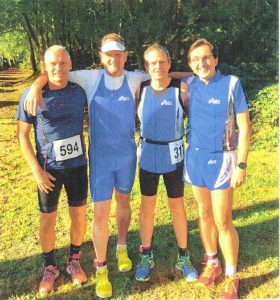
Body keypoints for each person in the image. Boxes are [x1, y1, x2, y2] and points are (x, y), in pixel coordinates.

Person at [23, 33, 150, 299]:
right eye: (108, 54)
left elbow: (164, 72)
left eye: (118, 54)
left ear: (125, 56)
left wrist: (194, 78)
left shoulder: (132, 79)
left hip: (109, 159)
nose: (113, 59)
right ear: (101, 57)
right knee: (85, 214)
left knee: (111, 206)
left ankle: (109, 250)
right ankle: (81, 268)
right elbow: (55, 70)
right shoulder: (89, 78)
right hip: (83, 162)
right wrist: (37, 84)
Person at [16, 45, 88, 294]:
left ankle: (74, 261)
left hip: (78, 166)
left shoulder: (80, 90)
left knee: (78, 216)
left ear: (70, 65)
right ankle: (50, 267)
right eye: (52, 64)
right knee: (48, 220)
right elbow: (22, 137)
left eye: (63, 63)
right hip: (48, 170)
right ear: (45, 66)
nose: (58, 68)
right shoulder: (31, 95)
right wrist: (36, 171)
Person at [183, 39, 251, 299]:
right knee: (204, 215)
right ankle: (212, 262)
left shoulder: (231, 84)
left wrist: (241, 164)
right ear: (191, 65)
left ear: (216, 59)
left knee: (223, 220)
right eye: (196, 59)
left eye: (207, 57)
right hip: (195, 159)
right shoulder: (189, 84)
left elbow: (245, 129)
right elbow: (161, 74)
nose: (203, 63)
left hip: (223, 160)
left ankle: (232, 276)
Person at [135, 43, 198, 282]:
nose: (157, 66)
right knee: (146, 208)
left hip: (174, 158)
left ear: (170, 64)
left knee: (177, 207)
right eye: (152, 63)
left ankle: (183, 256)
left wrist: (171, 76)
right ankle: (146, 254)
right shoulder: (140, 89)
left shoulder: (181, 89)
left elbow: (198, 74)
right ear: (146, 67)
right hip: (149, 155)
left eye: (162, 62)